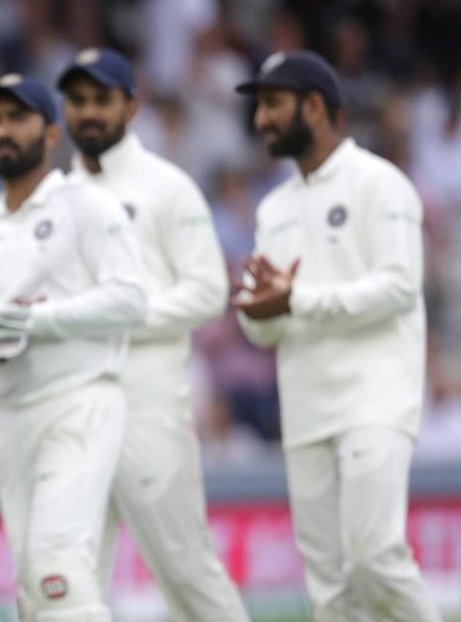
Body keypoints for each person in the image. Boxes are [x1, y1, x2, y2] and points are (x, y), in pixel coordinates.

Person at [232, 50, 440, 622]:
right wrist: (259, 307)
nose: (261, 120)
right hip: (305, 411)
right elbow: (263, 331)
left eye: (273, 104)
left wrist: (296, 299)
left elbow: (400, 288)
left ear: (316, 106)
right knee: (329, 589)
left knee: (374, 556)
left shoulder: (381, 183)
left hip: (374, 400)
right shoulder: (273, 207)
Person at [0, 73, 147, 621]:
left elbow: (131, 300)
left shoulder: (88, 206)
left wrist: (36, 321)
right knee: (34, 587)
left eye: (17, 118)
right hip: (11, 416)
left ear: (52, 133)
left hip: (79, 400)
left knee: (57, 573)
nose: (3, 131)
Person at [58, 48, 249, 621]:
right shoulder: (53, 197)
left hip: (148, 402)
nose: (88, 113)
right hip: (71, 404)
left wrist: (120, 315)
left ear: (132, 106)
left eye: (102, 100)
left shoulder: (168, 187)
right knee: (67, 574)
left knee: (185, 569)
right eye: (78, 101)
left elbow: (209, 291)